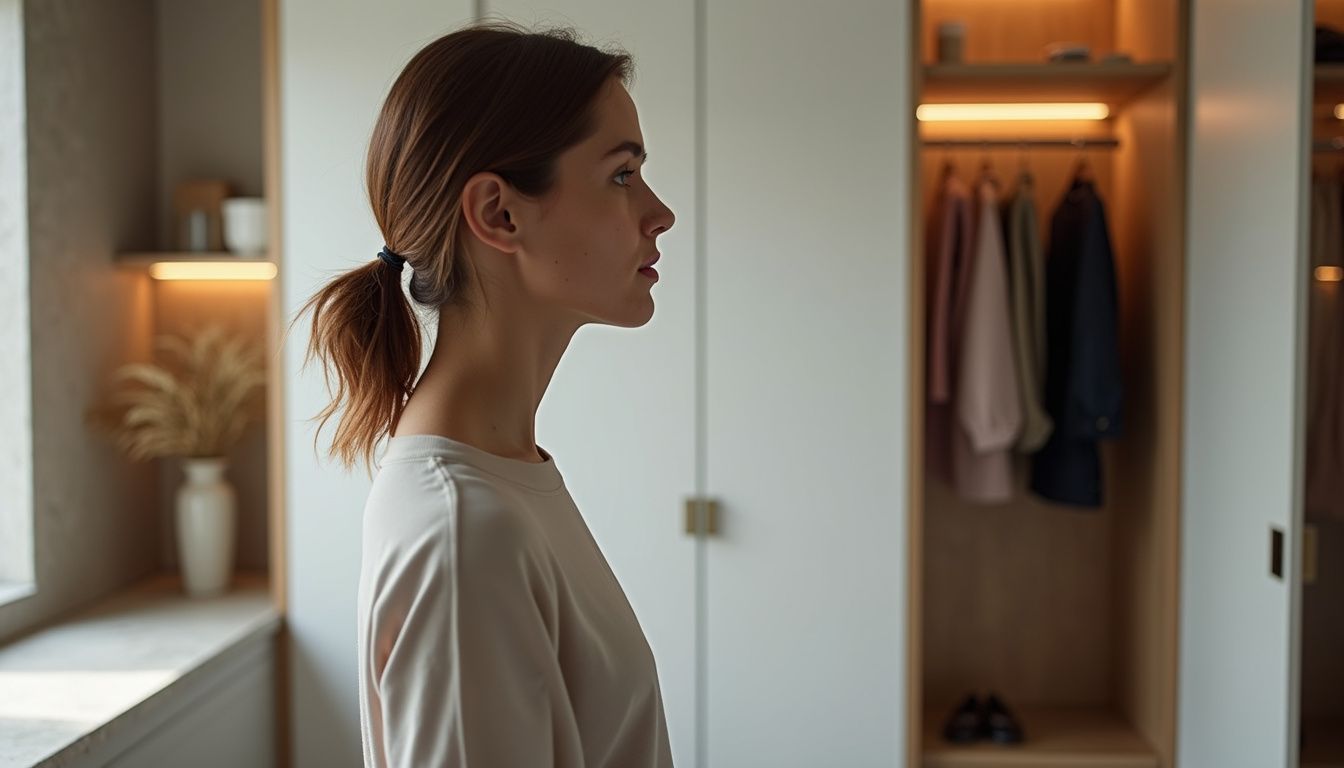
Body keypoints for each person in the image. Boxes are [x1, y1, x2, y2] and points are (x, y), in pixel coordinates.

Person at [290, 20, 676, 767]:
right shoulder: (466, 533)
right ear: (499, 213)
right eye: (621, 175)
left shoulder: (503, 479)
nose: (659, 213)